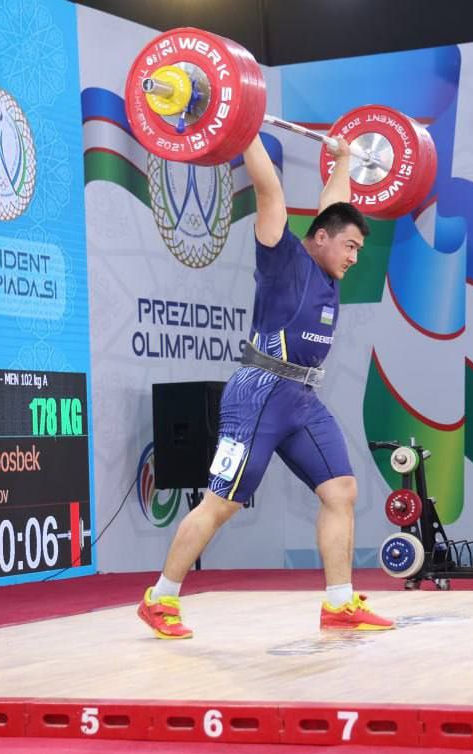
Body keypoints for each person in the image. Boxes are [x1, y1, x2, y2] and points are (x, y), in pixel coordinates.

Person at [137, 132, 394, 639]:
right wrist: (244, 129)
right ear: (320, 239)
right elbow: (268, 190)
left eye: (359, 249)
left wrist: (343, 159)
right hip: (259, 393)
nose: (354, 257)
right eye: (350, 246)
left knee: (341, 490)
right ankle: (160, 598)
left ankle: (339, 604)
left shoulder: (329, 274)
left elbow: (336, 205)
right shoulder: (283, 260)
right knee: (222, 503)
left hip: (301, 399)